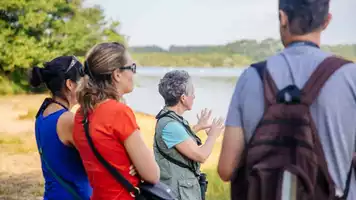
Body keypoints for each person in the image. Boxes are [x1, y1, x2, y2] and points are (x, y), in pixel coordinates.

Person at [218, 0, 356, 199]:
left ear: (283, 18)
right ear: (327, 21)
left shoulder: (251, 77)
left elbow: (226, 169)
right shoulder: (350, 76)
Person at [73, 42, 160, 200]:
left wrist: (133, 162)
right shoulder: (118, 113)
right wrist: (146, 159)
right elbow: (152, 175)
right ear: (117, 74)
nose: (133, 74)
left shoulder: (81, 114)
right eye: (132, 68)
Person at [154, 70, 224, 200]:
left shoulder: (171, 120)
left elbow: (178, 140)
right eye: (192, 93)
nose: (194, 96)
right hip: (178, 194)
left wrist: (198, 127)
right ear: (183, 98)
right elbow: (201, 155)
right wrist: (212, 136)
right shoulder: (171, 126)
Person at [30, 56, 92, 200]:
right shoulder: (67, 120)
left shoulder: (43, 113)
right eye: (82, 80)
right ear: (70, 84)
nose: (86, 86)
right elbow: (97, 160)